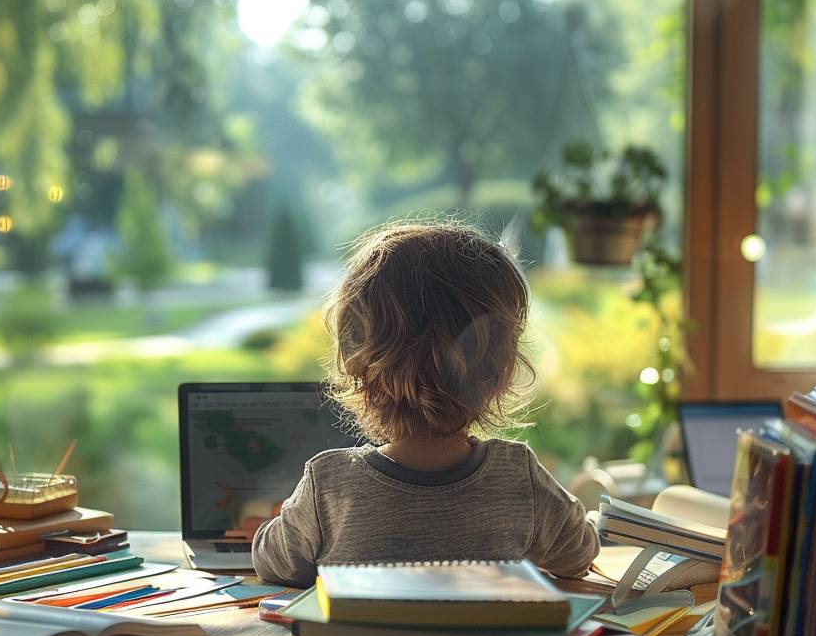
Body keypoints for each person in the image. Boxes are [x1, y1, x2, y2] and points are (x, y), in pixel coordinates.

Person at [251, 220, 599, 588]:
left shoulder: (329, 485)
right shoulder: (519, 477)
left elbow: (273, 564)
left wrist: (280, 523)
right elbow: (578, 556)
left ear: (356, 361)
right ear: (502, 369)